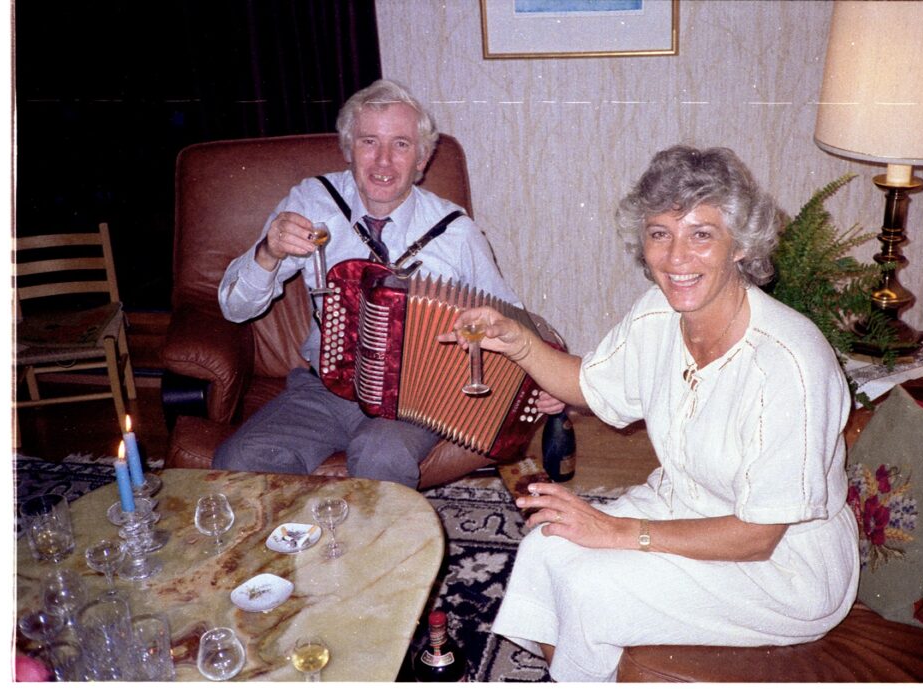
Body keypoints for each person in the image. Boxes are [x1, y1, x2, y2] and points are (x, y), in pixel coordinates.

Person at [443, 145, 859, 682]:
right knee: (546, 548)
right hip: (683, 504)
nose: (676, 257)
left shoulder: (789, 363)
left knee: (591, 589)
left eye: (701, 234)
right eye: (660, 233)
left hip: (782, 565)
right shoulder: (659, 313)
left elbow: (758, 536)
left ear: (740, 245)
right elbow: (588, 384)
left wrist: (618, 531)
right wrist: (516, 340)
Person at [215, 78, 560, 487]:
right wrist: (267, 253)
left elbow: (510, 318)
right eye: (368, 142)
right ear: (348, 149)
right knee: (238, 459)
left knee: (381, 455)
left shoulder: (454, 231)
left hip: (416, 398)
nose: (383, 161)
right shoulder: (312, 201)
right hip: (322, 390)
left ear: (422, 159)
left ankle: (384, 531)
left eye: (401, 144)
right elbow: (234, 309)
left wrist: (547, 377)